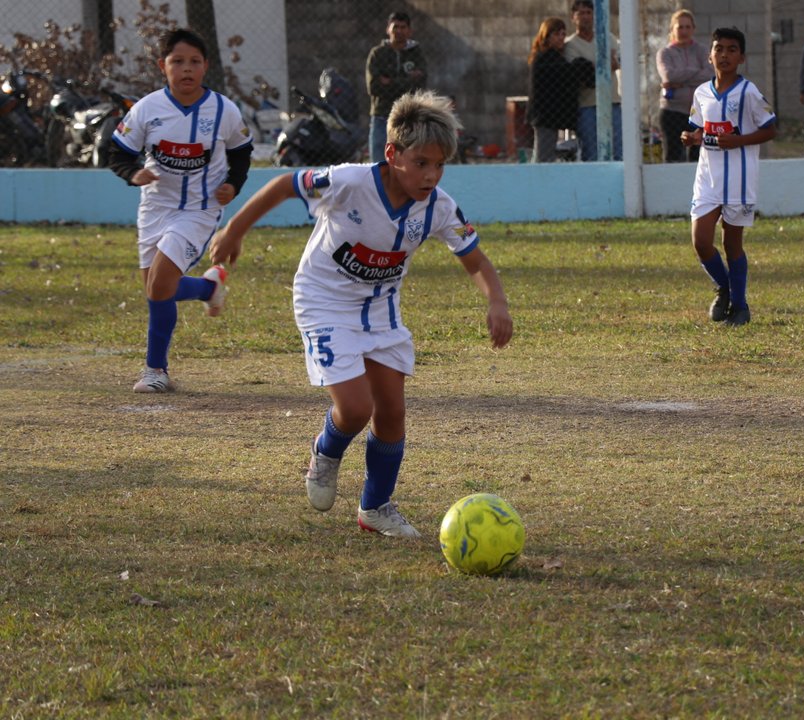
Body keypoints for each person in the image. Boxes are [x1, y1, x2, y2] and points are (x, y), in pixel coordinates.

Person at [210, 91, 513, 537]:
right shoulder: (349, 182)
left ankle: (375, 508)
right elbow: (284, 184)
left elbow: (476, 261)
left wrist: (496, 301)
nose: (432, 175)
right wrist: (234, 230)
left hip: (380, 311)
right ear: (392, 154)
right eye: (422, 163)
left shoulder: (440, 208)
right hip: (323, 300)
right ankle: (326, 451)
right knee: (355, 408)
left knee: (391, 411)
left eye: (440, 165)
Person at [108, 28, 253, 393]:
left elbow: (241, 151)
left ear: (206, 66)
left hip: (199, 210)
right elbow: (117, 153)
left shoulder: (224, 110)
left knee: (160, 284)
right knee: (157, 288)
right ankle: (208, 287)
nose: (186, 69)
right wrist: (133, 173)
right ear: (163, 66)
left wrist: (233, 184)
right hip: (155, 207)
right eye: (177, 62)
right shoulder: (146, 109)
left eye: (194, 62)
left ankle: (156, 371)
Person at [681, 27, 777, 327]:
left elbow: (770, 129)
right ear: (710, 56)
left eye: (731, 49)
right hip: (708, 177)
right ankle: (724, 287)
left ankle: (740, 307)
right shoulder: (701, 93)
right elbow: (699, 128)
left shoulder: (748, 92)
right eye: (718, 49)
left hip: (738, 179)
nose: (724, 54)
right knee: (700, 241)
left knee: (732, 244)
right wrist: (691, 137)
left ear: (742, 57)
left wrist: (739, 140)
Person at [564, 0, 623, 161]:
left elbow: (618, 61)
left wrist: (592, 65)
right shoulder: (570, 45)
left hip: (613, 102)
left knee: (619, 150)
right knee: (591, 152)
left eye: (588, 13)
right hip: (587, 106)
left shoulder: (607, 37)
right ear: (573, 17)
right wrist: (605, 62)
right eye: (580, 13)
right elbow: (579, 73)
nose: (585, 17)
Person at [366, 12, 426, 163]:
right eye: (395, 27)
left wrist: (390, 81)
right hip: (382, 116)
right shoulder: (377, 54)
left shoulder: (416, 53)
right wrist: (407, 80)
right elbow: (374, 88)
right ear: (388, 29)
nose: (399, 31)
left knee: (408, 164)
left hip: (408, 118)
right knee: (379, 165)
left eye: (403, 27)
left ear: (409, 31)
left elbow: (420, 84)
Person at [655, 9, 713, 163]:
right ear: (672, 29)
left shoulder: (701, 50)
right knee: (673, 157)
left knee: (698, 158)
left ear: (693, 29)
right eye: (680, 27)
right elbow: (669, 75)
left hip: (699, 112)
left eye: (687, 27)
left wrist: (680, 81)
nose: (684, 31)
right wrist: (695, 74)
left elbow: (709, 75)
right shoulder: (665, 53)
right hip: (673, 110)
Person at [527, 17, 587, 162]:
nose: (561, 38)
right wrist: (580, 66)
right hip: (545, 117)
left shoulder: (554, 57)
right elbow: (565, 74)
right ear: (546, 36)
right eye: (556, 34)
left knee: (545, 155)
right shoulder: (544, 59)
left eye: (563, 34)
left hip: (549, 116)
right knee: (544, 157)